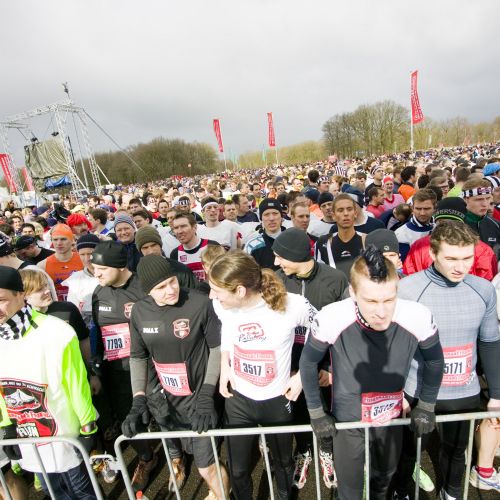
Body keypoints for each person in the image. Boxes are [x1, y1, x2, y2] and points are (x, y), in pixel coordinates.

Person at [300, 247, 444, 500]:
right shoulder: (333, 316)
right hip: (349, 420)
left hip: (390, 418)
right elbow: (308, 362)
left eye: (389, 300)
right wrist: (316, 412)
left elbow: (435, 360)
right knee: (349, 490)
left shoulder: (417, 315)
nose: (381, 311)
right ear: (353, 293)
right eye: (371, 301)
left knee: (383, 482)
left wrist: (427, 405)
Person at [394, 221, 500, 500]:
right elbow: (394, 347)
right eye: (451, 258)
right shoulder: (408, 290)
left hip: (463, 391)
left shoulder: (483, 289)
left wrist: (497, 394)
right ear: (432, 253)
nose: (460, 267)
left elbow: (490, 342)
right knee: (408, 452)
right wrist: (397, 392)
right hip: (416, 390)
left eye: (467, 258)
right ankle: (402, 492)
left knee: (456, 452)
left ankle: (451, 494)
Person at [209, 250, 316, 500]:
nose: (212, 296)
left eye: (216, 290)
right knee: (238, 469)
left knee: (283, 464)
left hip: (277, 399)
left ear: (240, 290)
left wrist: (302, 374)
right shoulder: (222, 305)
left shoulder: (293, 305)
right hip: (239, 399)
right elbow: (228, 329)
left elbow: (323, 330)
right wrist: (225, 364)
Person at [125, 255, 230, 498]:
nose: (171, 290)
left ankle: (222, 494)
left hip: (200, 399)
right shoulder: (139, 311)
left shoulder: (200, 303)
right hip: (167, 400)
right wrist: (138, 398)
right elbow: (138, 356)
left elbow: (216, 348)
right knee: (177, 450)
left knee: (206, 466)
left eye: (172, 281)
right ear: (148, 290)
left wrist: (207, 393)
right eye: (161, 287)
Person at [0, 266, 98, 499]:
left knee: (82, 492)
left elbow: (76, 383)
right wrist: (6, 425)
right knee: (51, 490)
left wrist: (88, 427)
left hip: (64, 434)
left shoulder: (57, 331)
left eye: (1, 300)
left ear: (20, 294)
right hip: (28, 436)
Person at [273, 228, 348, 489]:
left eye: (280, 256)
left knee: (325, 411)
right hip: (290, 366)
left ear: (296, 255)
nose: (276, 262)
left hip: (324, 366)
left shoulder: (335, 279)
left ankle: (327, 451)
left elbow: (345, 328)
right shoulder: (276, 280)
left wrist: (330, 367)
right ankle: (304, 450)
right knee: (297, 411)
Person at [91, 241, 157, 492]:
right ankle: (146, 458)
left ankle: (177, 456)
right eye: (94, 268)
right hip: (117, 370)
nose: (96, 274)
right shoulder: (99, 292)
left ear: (120, 266)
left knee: (163, 415)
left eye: (101, 269)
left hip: (151, 368)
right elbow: (97, 331)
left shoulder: (144, 287)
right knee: (129, 418)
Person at [403, 197, 498, 280]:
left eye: (453, 222)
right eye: (442, 222)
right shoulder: (420, 246)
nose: (448, 227)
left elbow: (486, 284)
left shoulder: (482, 250)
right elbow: (411, 277)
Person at [315, 194, 365, 279]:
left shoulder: (367, 240)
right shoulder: (322, 243)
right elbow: (319, 277)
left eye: (349, 209)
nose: (346, 214)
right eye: (340, 210)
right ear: (333, 215)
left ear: (355, 213)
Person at [38, 223, 83, 301]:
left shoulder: (83, 260)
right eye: (55, 239)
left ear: (72, 240)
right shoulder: (42, 265)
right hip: (57, 306)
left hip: (81, 304)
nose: (59, 243)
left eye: (63, 239)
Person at [170, 213, 219, 281]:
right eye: (176, 228)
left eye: (183, 226)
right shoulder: (175, 254)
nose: (179, 231)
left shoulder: (212, 246)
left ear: (195, 228)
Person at [462, 177, 500, 259]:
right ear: (466, 199)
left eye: (488, 198)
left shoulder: (496, 225)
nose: (485, 204)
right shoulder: (456, 225)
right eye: (479, 199)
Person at [395, 189, 436, 262]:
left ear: (434, 208)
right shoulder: (401, 234)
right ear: (412, 208)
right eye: (418, 209)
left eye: (427, 209)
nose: (422, 213)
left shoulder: (439, 229)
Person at [244, 198, 285, 270]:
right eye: (266, 214)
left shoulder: (292, 239)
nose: (271, 218)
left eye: (275, 213)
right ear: (261, 218)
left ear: (281, 216)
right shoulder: (252, 245)